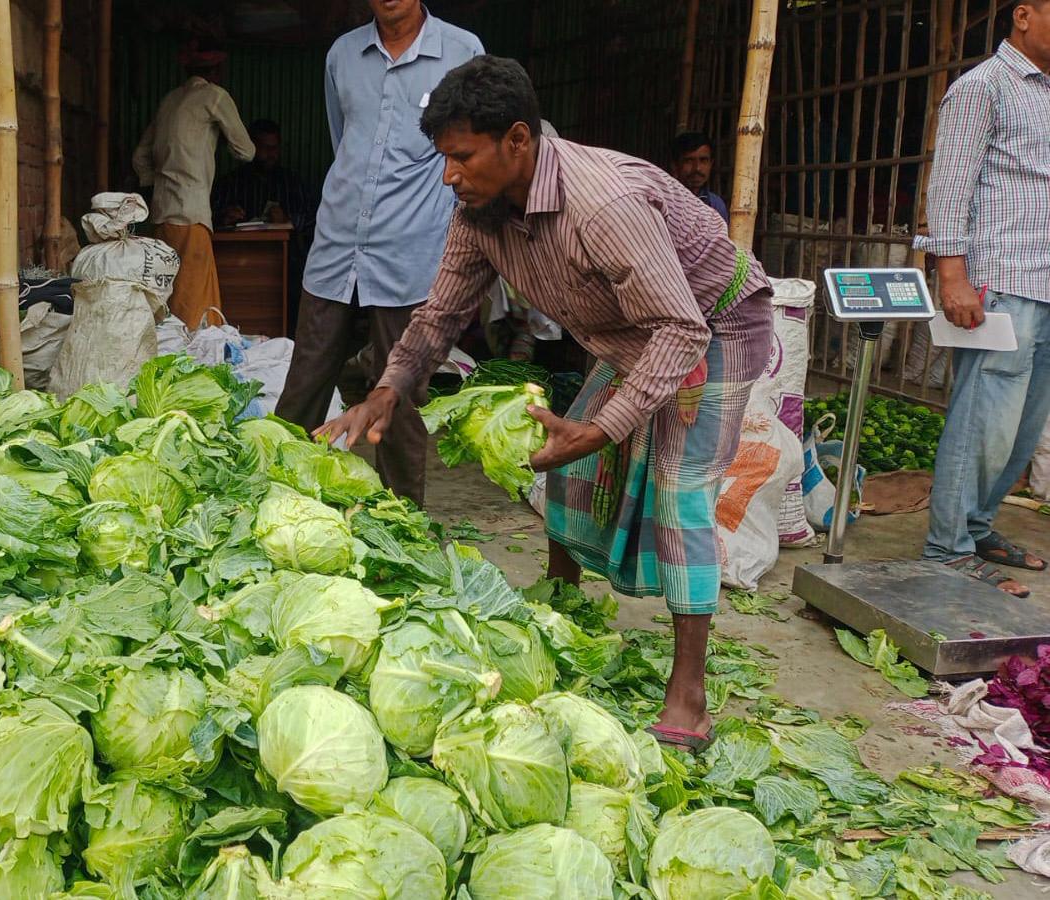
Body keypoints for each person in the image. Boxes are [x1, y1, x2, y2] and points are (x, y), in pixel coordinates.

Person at [318, 56, 775, 750]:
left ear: (517, 141)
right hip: (628, 331)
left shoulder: (602, 205)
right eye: (443, 159)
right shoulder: (479, 209)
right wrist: (385, 392)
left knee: (678, 491)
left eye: (461, 157)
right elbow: (439, 314)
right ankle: (562, 606)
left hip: (712, 322)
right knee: (563, 468)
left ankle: (688, 693)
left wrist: (603, 427)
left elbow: (680, 329)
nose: (449, 175)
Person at [274, 0, 484, 506]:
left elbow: (472, 149)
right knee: (304, 384)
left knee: (401, 398)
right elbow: (343, 140)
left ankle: (403, 522)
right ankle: (275, 502)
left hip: (410, 252)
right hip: (337, 246)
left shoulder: (463, 51)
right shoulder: (342, 55)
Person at [912, 0, 1050, 598]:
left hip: (1044, 281)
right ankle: (947, 548)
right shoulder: (983, 86)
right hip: (1001, 277)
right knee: (982, 420)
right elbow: (951, 183)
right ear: (1023, 15)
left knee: (1023, 426)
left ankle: (977, 525)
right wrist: (952, 275)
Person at [133, 38, 255, 330]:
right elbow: (246, 151)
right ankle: (194, 364)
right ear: (217, 69)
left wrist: (157, 181)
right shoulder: (215, 96)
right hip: (191, 214)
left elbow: (140, 156)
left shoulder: (169, 100)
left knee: (168, 295)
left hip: (161, 213)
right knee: (193, 306)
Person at [212, 119, 318, 233]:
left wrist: (288, 220)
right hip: (242, 248)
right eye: (265, 148)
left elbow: (315, 218)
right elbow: (207, 217)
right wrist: (224, 217)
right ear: (252, 147)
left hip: (284, 249)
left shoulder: (292, 183)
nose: (271, 154)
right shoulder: (231, 183)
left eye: (275, 148)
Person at [671, 131, 730, 225]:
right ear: (675, 165)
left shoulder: (716, 204)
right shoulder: (667, 202)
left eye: (703, 160)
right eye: (689, 161)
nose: (697, 168)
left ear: (711, 164)